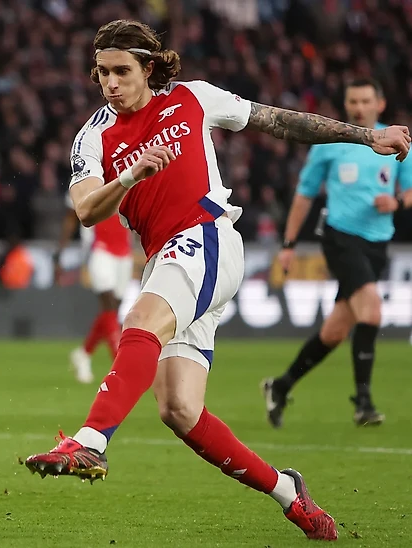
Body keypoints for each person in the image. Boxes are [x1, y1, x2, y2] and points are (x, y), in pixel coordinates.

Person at [23, 20, 410, 541]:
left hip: (207, 236)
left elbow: (278, 121)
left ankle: (91, 441)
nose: (110, 83)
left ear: (149, 68)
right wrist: (131, 176)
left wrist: (367, 136)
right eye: (102, 72)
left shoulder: (193, 97)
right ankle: (288, 493)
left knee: (140, 320)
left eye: (121, 71)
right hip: (166, 257)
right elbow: (88, 209)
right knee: (179, 409)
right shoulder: (91, 137)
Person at [262, 79, 412, 428]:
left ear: (380, 104)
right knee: (371, 310)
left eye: (365, 101)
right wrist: (288, 245)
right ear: (346, 105)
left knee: (333, 333)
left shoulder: (396, 141)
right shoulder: (330, 144)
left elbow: (410, 191)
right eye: (353, 101)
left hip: (378, 244)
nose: (359, 108)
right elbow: (304, 195)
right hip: (339, 238)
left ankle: (280, 386)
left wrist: (397, 201)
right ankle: (364, 403)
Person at [54, 193, 133, 383]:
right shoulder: (86, 180)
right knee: (109, 304)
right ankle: (119, 365)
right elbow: (71, 218)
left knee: (111, 311)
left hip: (124, 251)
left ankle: (83, 353)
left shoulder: (128, 176)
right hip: (98, 249)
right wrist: (59, 253)